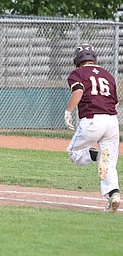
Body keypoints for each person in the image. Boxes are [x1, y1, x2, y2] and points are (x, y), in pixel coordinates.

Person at [64, 43, 120, 213]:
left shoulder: (77, 73)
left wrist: (68, 111)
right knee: (110, 163)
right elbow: (115, 102)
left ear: (77, 60)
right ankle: (114, 195)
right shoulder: (108, 75)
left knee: (74, 153)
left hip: (92, 120)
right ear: (94, 58)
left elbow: (78, 91)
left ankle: (96, 155)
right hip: (112, 121)